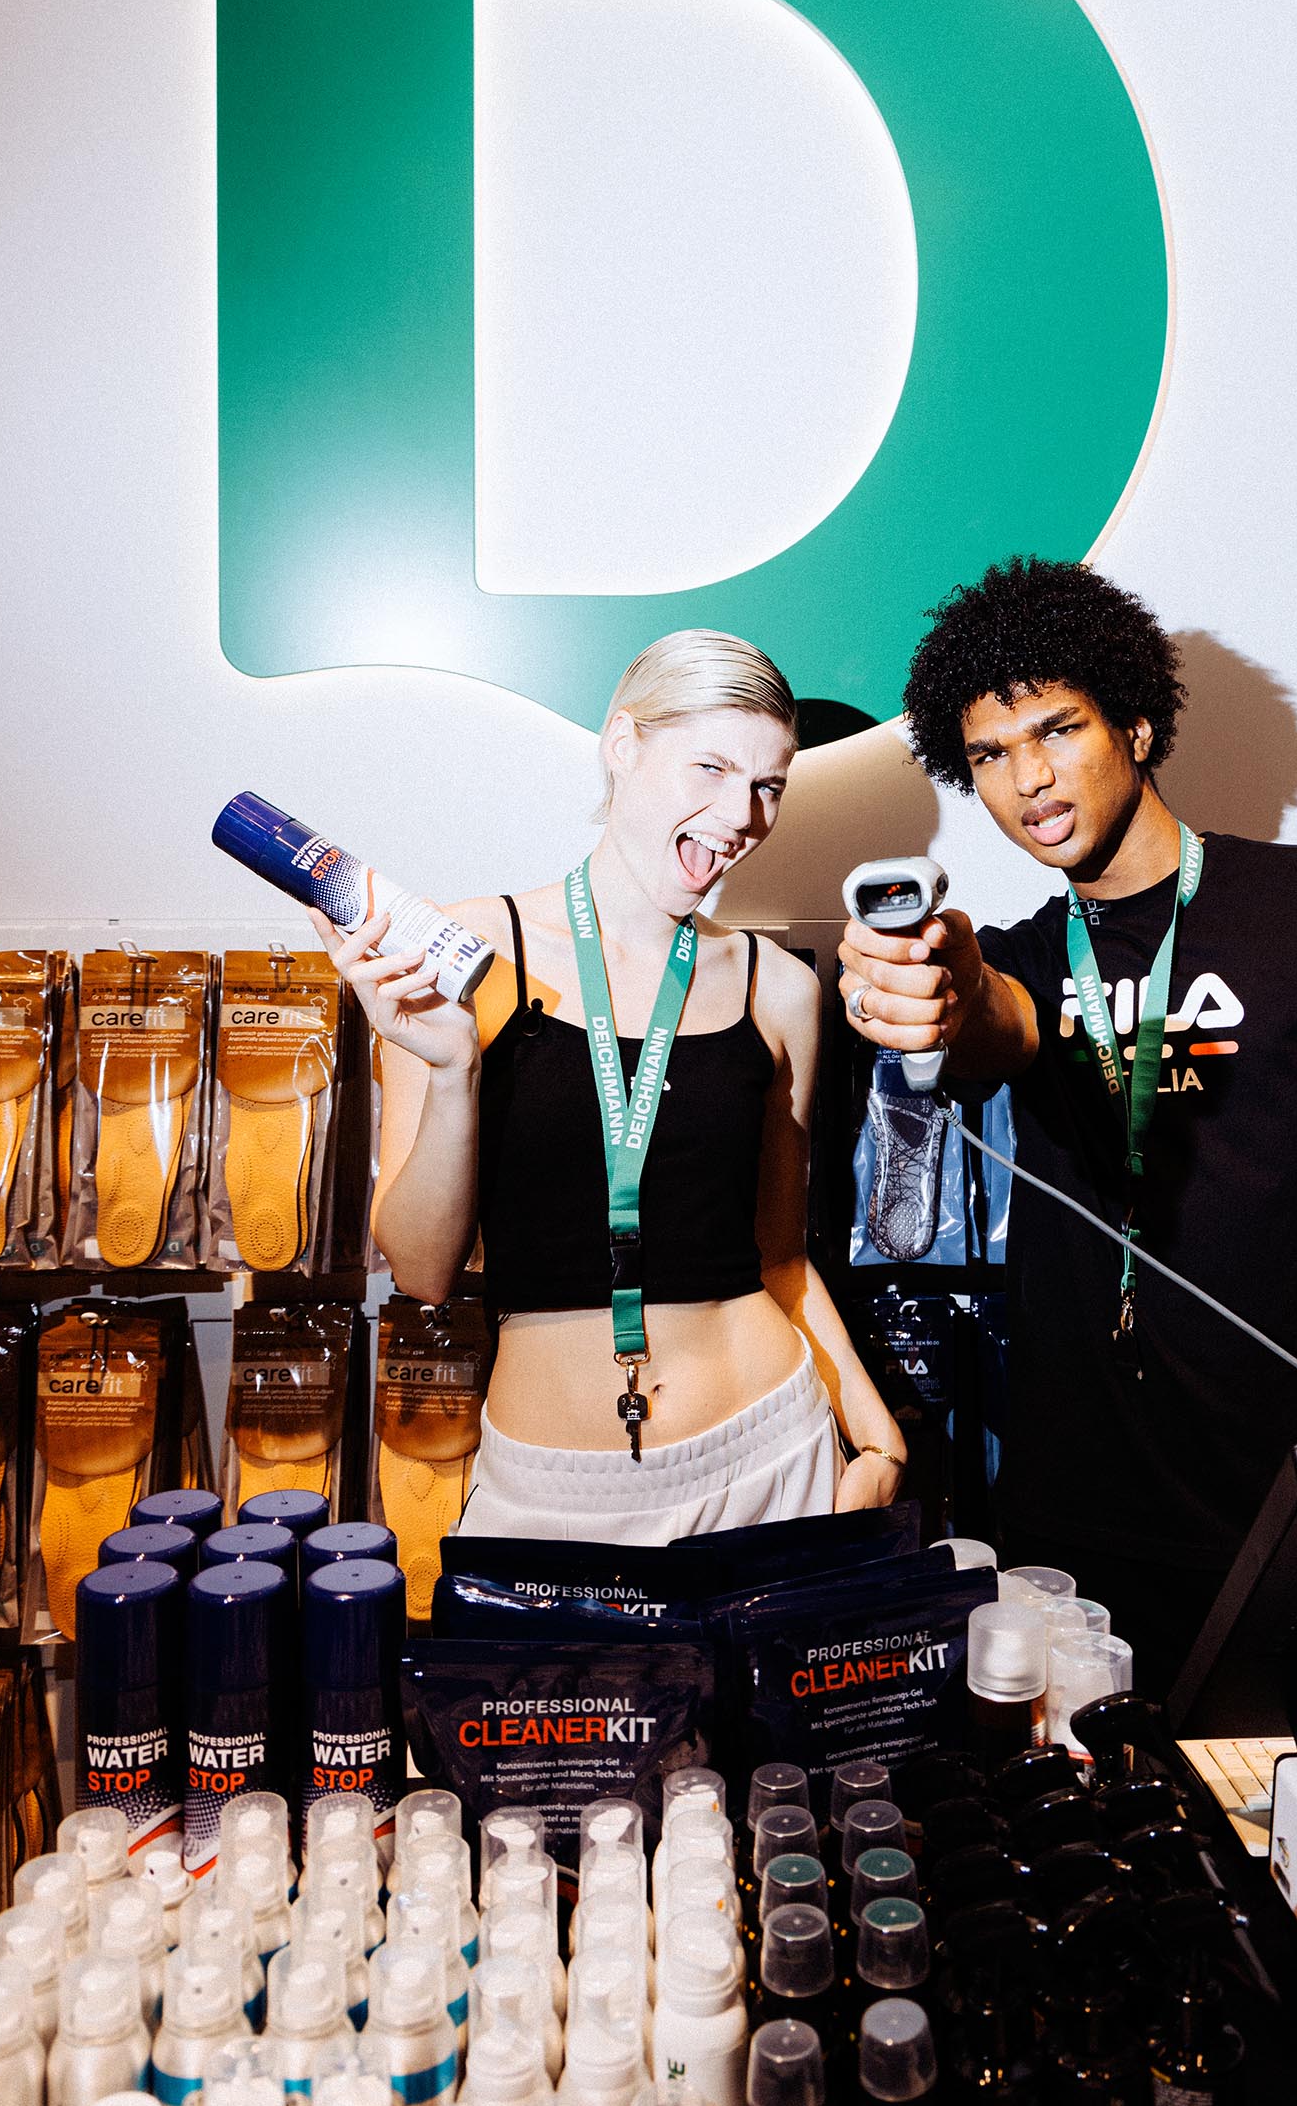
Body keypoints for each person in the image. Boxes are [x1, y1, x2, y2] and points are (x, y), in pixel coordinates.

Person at [837, 556, 1297, 1695]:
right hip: (1081, 1525)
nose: (1028, 778)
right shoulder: (1020, 958)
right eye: (987, 755)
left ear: (1135, 726)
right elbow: (994, 1020)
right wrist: (938, 987)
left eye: (1056, 730)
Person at [313, 628, 905, 1542]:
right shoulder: (467, 951)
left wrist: (877, 1439)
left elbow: (779, 1259)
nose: (740, 815)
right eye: (710, 767)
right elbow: (423, 1272)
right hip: (554, 1485)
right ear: (622, 744)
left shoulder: (778, 987)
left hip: (770, 1454)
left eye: (768, 785)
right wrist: (454, 1070)